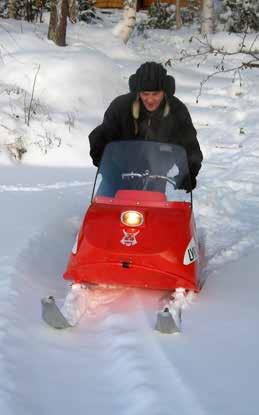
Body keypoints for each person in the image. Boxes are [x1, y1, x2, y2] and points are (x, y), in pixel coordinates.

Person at [89, 61, 203, 191]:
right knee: (105, 207)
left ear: (165, 92)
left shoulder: (176, 111)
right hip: (120, 174)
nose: (150, 100)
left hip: (157, 176)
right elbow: (100, 138)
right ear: (138, 92)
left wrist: (188, 173)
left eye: (155, 94)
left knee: (154, 210)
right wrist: (108, 168)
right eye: (145, 94)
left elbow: (190, 146)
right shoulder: (121, 107)